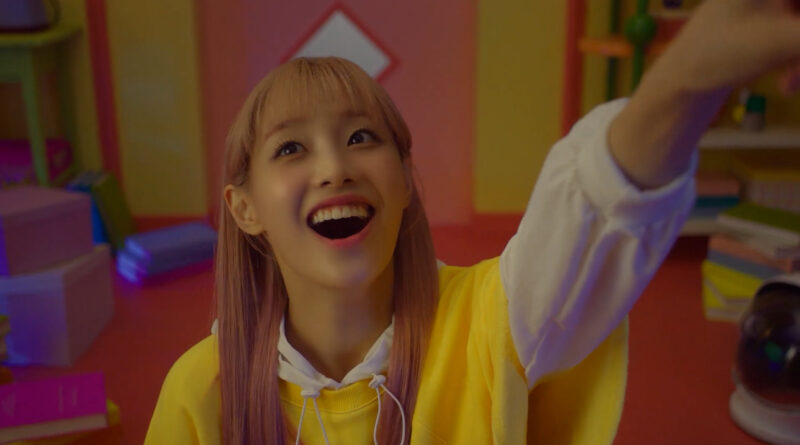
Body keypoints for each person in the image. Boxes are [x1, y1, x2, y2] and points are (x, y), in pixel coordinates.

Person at [145, 1, 800, 443]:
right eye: (291, 148)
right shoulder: (200, 391)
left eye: (362, 137)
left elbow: (596, 207)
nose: (334, 168)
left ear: (405, 178)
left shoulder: (490, 323)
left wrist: (689, 75)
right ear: (244, 208)